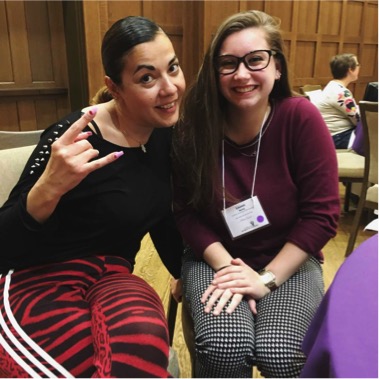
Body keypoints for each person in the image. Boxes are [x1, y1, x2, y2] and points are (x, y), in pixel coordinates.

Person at [0, 16, 185, 378]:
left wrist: (185, 273)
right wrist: (48, 187)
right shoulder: (74, 137)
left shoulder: (167, 134)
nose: (169, 88)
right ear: (114, 87)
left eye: (173, 68)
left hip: (112, 275)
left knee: (142, 345)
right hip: (40, 276)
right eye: (147, 77)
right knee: (75, 365)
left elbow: (162, 217)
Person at [172, 10, 340, 378]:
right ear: (215, 74)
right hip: (214, 257)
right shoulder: (193, 128)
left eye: (255, 60)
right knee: (223, 345)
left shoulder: (301, 118)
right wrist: (231, 270)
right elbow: (185, 212)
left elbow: (322, 215)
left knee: (283, 352)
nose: (242, 74)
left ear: (277, 66)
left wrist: (263, 279)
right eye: (228, 64)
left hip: (289, 258)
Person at [315, 53, 361, 149]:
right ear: (350, 70)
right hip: (338, 137)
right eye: (357, 65)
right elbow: (358, 120)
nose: (359, 67)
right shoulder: (341, 92)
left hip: (332, 136)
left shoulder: (333, 86)